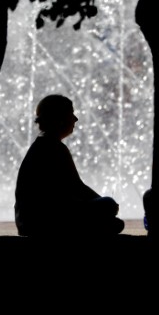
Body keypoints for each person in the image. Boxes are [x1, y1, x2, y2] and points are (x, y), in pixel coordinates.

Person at [14, 94, 125, 237]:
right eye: (71, 113)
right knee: (108, 204)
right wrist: (105, 203)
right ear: (59, 119)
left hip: (29, 223)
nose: (75, 119)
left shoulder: (42, 145)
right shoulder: (54, 148)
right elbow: (78, 187)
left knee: (114, 222)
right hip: (44, 223)